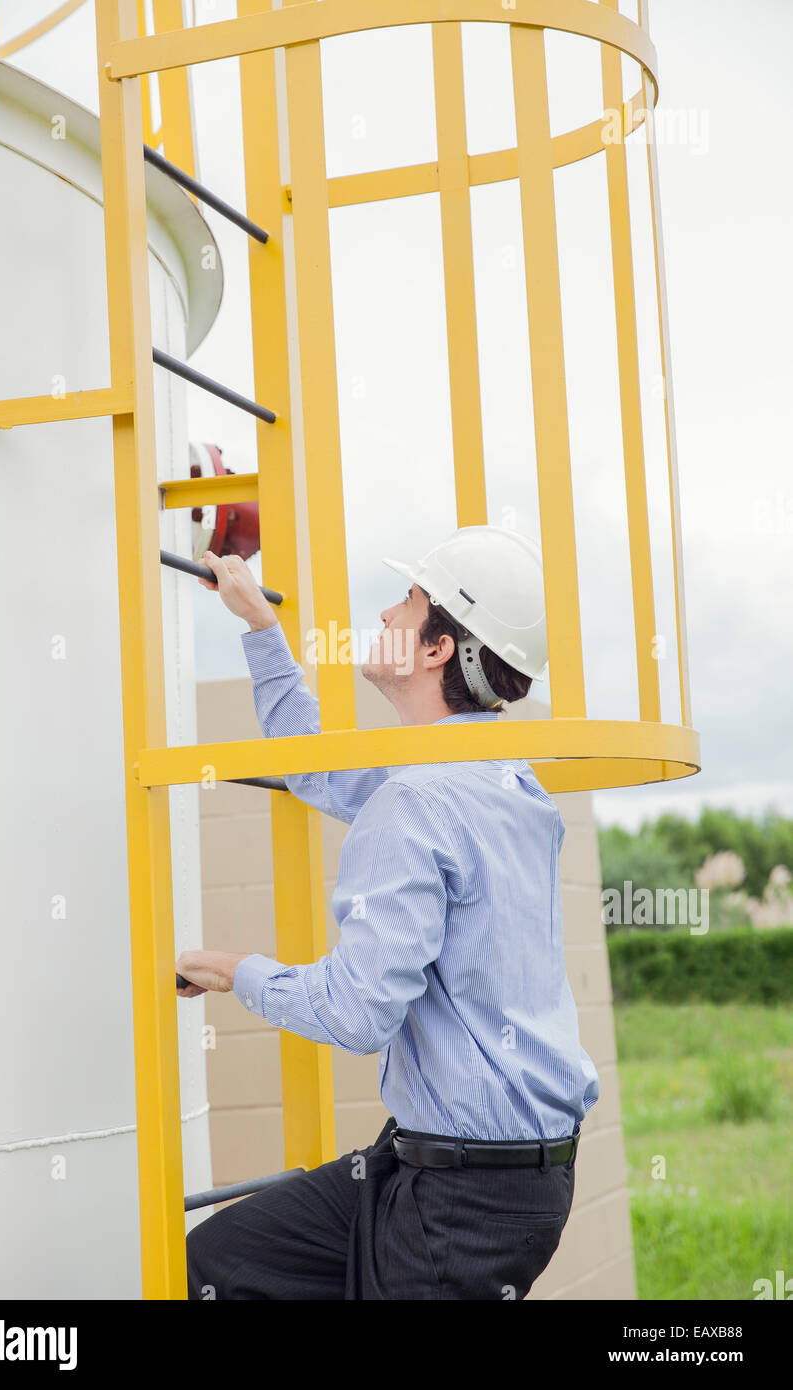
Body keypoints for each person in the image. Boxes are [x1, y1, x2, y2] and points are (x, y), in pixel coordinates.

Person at [177, 524, 600, 1300]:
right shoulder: (492, 778)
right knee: (221, 1260)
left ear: (439, 649)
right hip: (459, 1166)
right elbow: (316, 772)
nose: (381, 617)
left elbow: (356, 1013)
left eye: (405, 604)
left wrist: (233, 971)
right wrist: (260, 629)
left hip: (466, 1194)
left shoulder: (418, 799)